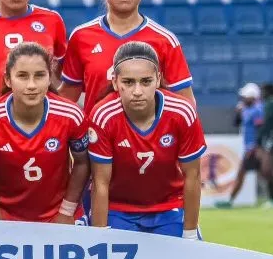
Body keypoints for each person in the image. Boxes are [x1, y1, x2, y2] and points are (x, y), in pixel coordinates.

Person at [60, 0, 195, 122]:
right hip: (96, 143)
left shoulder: (164, 40)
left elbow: (186, 105)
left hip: (150, 145)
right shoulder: (81, 37)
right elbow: (66, 100)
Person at [88, 42, 206, 238]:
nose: (137, 91)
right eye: (128, 82)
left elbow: (192, 176)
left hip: (170, 207)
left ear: (158, 79)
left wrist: (190, 233)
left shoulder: (182, 112)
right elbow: (100, 182)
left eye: (145, 81)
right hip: (119, 210)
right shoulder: (103, 116)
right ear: (115, 82)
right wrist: (101, 236)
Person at [0, 42, 90, 223]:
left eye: (39, 76)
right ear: (8, 79)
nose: (31, 85)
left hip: (58, 213)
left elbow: (82, 163)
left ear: (49, 77)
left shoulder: (71, 115)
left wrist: (67, 211)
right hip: (5, 215)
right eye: (22, 76)